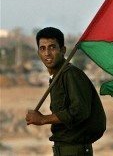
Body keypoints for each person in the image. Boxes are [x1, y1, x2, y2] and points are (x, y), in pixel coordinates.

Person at [25, 27, 106, 156]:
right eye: (42, 48)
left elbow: (79, 111)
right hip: (63, 149)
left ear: (62, 50)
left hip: (75, 150)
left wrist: (43, 119)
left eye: (52, 47)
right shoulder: (58, 77)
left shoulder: (71, 74)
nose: (47, 53)